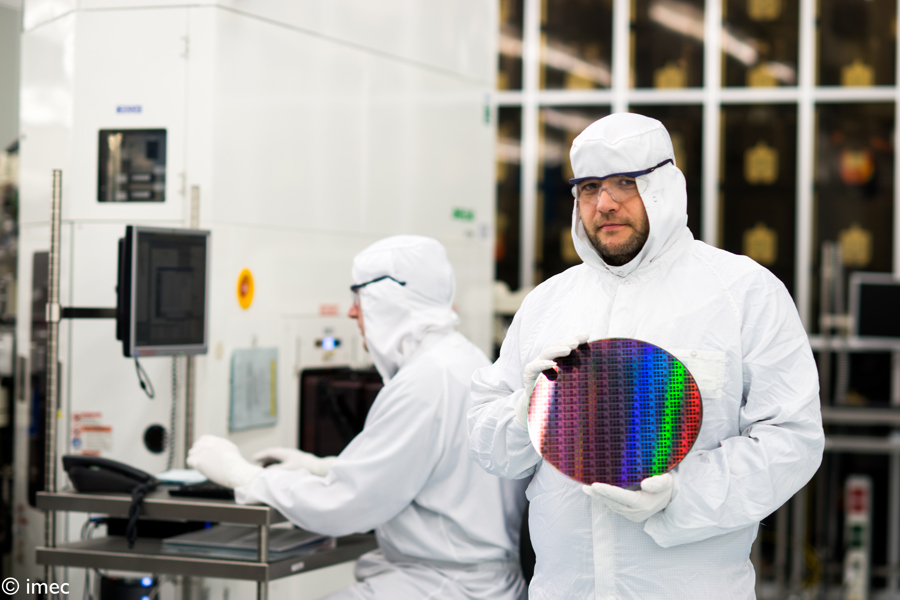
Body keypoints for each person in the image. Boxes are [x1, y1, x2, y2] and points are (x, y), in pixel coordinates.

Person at [467, 113, 824, 599]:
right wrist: (524, 410)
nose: (605, 203)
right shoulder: (548, 304)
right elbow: (490, 447)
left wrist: (681, 495)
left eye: (625, 183)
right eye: (589, 187)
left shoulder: (742, 292)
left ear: (665, 188)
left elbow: (792, 440)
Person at [188, 235, 528, 600]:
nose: (351, 312)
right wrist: (321, 468)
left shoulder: (427, 380)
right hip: (464, 579)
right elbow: (421, 470)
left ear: (389, 300)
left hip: (445, 585)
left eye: (358, 296)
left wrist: (243, 475)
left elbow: (343, 506)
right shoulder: (459, 359)